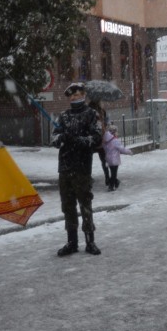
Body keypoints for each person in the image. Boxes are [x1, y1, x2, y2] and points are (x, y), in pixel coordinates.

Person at [52, 82, 103, 256]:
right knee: (68, 206)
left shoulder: (91, 114)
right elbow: (54, 139)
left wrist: (80, 140)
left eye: (78, 94)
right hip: (65, 167)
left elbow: (96, 138)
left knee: (85, 204)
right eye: (71, 95)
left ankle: (90, 241)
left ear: (84, 95)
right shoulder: (63, 116)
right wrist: (63, 137)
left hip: (82, 167)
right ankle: (72, 242)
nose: (74, 98)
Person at [101, 124, 133, 191]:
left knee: (112, 172)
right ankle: (111, 186)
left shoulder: (105, 140)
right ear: (114, 132)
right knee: (114, 173)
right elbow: (121, 149)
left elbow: (107, 148)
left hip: (109, 159)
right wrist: (129, 152)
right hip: (115, 159)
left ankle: (115, 183)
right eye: (116, 132)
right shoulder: (115, 140)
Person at [88, 99, 111, 189]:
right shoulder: (101, 111)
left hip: (91, 139)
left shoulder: (88, 111)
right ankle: (107, 178)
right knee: (104, 160)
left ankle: (88, 179)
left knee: (88, 161)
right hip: (101, 138)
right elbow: (107, 122)